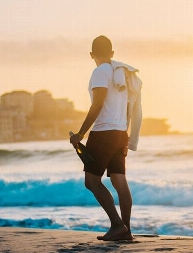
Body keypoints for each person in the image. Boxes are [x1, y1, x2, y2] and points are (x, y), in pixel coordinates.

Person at [70, 35, 133, 241]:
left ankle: (116, 225)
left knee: (92, 182)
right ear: (112, 53)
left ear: (91, 55)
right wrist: (125, 131)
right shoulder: (120, 73)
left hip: (104, 134)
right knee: (119, 181)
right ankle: (126, 231)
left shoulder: (100, 72)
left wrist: (81, 134)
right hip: (120, 132)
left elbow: (97, 105)